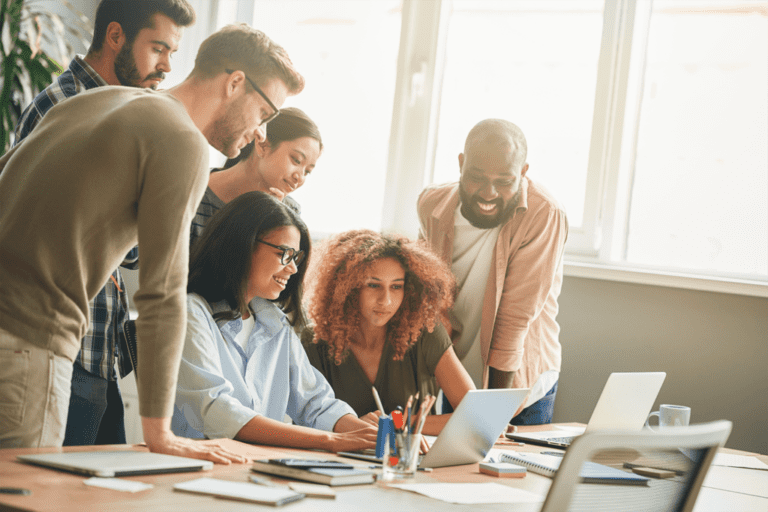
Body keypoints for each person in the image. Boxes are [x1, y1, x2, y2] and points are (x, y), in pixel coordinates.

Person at [0, 23, 304, 463]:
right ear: (235, 83)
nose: (260, 133)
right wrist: (160, 433)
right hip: (29, 344)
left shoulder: (98, 99)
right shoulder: (184, 142)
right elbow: (162, 294)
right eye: (265, 113)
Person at [11, 0, 195, 447]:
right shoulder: (64, 104)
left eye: (173, 53)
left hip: (96, 351)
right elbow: (47, 230)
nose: (167, 66)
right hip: (57, 348)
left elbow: (118, 243)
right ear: (116, 37)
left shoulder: (131, 111)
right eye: (158, 48)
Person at [173, 192, 377, 452]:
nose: (292, 269)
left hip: (255, 468)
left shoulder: (276, 325)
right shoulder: (190, 313)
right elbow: (215, 410)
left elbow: (316, 403)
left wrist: (379, 437)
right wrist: (332, 441)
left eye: (296, 257)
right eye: (284, 253)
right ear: (241, 244)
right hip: (198, 469)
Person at [417, 118, 568, 425]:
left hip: (517, 387)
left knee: (508, 471)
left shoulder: (543, 214)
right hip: (456, 380)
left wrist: (492, 416)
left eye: (504, 181)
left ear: (523, 173)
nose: (488, 193)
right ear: (460, 164)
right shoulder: (431, 205)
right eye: (476, 178)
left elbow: (514, 319)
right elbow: (425, 302)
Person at [302, 230, 475, 436]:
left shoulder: (425, 333)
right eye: (374, 285)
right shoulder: (315, 340)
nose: (386, 300)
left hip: (408, 462)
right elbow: (304, 419)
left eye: (396, 287)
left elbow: (474, 415)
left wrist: (394, 423)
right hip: (338, 461)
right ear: (347, 288)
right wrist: (349, 425)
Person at [190, 107, 322, 249]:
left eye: (307, 171)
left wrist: (270, 225)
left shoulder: (289, 211)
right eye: (296, 160)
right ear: (262, 145)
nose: (300, 177)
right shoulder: (191, 191)